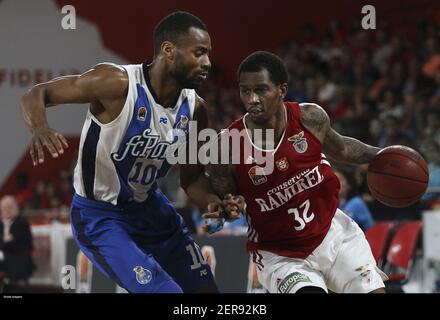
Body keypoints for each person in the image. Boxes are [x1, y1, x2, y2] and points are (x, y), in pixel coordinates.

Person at [20, 11, 243, 293]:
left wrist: (213, 201)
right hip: (99, 215)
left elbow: (192, 179)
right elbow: (35, 94)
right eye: (199, 53)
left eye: (209, 54)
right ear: (169, 50)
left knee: (206, 291)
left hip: (149, 208)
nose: (208, 63)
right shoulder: (117, 83)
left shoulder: (196, 109)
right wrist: (40, 127)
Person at [204, 51, 388, 293]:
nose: (252, 99)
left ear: (282, 90)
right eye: (245, 91)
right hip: (282, 254)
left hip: (332, 233)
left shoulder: (309, 117)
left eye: (261, 89)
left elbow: (342, 148)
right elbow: (225, 202)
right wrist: (222, 211)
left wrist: (385, 155)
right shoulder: (225, 146)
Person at [0, 195, 36, 289]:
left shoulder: (22, 223)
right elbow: (6, 242)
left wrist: (5, 241)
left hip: (18, 260)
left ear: (16, 208)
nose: (7, 210)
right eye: (5, 207)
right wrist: (5, 239)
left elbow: (13, 244)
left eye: (10, 207)